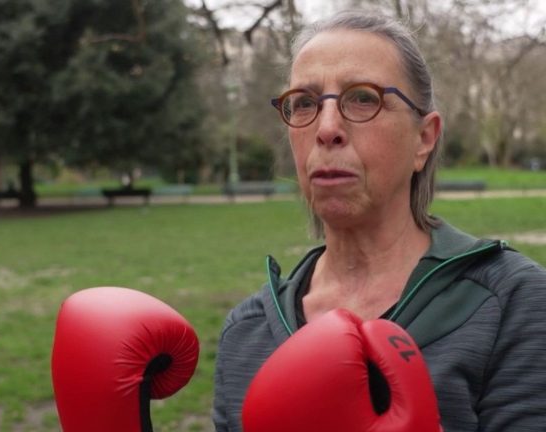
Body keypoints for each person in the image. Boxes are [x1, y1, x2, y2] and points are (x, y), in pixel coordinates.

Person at [212, 10, 546, 432]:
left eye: (363, 98)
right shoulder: (247, 332)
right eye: (305, 103)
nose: (327, 128)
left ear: (424, 138)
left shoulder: (515, 302)